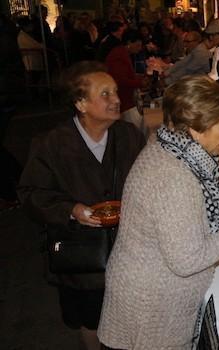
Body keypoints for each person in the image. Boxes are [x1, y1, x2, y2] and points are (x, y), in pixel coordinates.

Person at [97, 76, 219, 348]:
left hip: (149, 292)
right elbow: (187, 261)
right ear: (195, 128)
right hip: (149, 309)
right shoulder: (174, 176)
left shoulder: (172, 147)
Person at [17, 61, 145, 350]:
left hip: (129, 252)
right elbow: (30, 193)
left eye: (114, 92)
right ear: (80, 103)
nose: (115, 100)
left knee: (132, 317)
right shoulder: (51, 144)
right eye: (105, 94)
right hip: (81, 257)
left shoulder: (129, 136)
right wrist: (71, 210)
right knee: (91, 321)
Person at [105, 29, 147, 132]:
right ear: (129, 43)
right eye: (137, 45)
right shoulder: (119, 55)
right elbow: (120, 80)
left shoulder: (122, 53)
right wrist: (140, 82)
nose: (139, 48)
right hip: (123, 98)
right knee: (136, 129)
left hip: (125, 97)